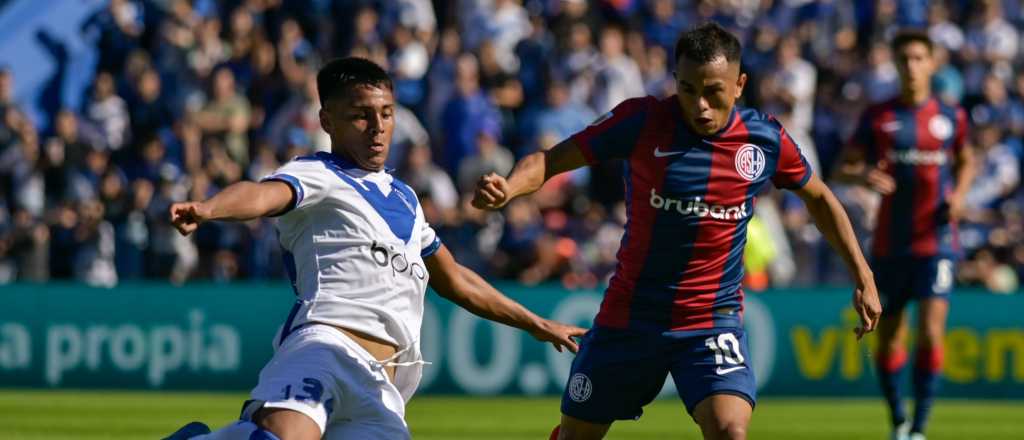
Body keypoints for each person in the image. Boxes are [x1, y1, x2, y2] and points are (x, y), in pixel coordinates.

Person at [472, 22, 882, 440]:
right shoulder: (642, 120)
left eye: (713, 91)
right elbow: (550, 160)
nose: (700, 105)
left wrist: (863, 276)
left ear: (740, 84)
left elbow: (820, 198)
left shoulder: (764, 139)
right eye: (688, 89)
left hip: (711, 321)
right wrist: (509, 187)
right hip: (631, 316)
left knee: (730, 431)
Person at [162, 57, 585, 440]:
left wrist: (536, 323)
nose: (378, 127)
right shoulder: (316, 173)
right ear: (328, 121)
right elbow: (261, 195)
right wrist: (208, 208)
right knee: (284, 435)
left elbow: (456, 280)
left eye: (386, 114)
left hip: (383, 386)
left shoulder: (406, 199)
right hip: (324, 345)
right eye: (361, 117)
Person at [836, 30, 975, 440]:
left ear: (932, 63)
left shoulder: (952, 117)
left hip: (937, 243)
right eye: (904, 59)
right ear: (895, 65)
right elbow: (841, 167)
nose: (912, 66)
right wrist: (862, 173)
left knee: (932, 332)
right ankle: (898, 419)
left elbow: (966, 159)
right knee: (890, 337)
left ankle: (919, 426)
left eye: (919, 58)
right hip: (890, 244)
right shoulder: (878, 117)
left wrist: (961, 196)